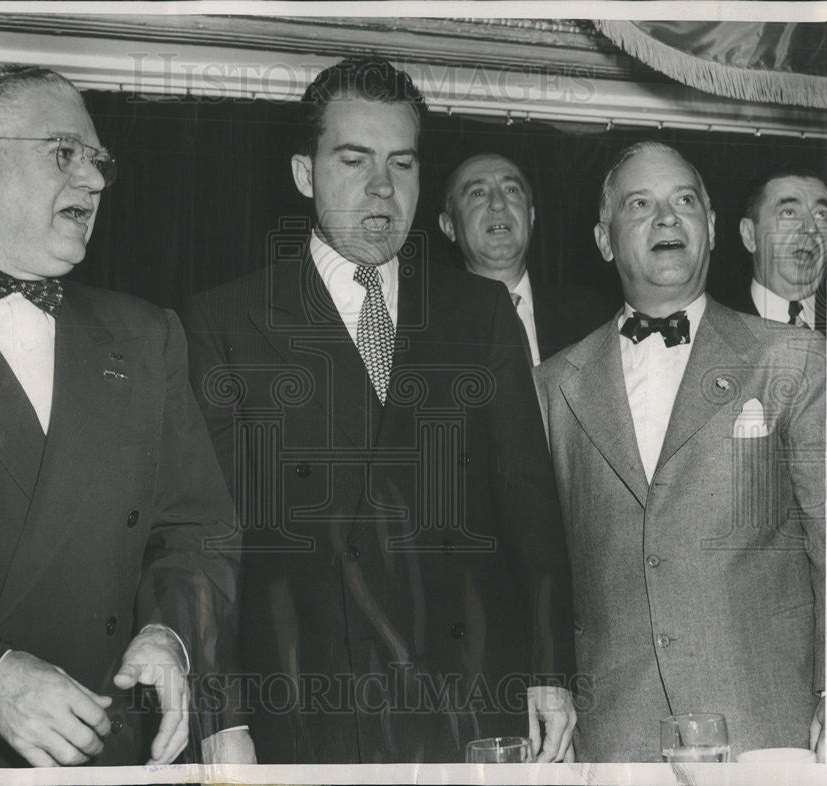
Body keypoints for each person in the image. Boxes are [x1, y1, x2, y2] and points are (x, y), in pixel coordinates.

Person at [182, 57, 576, 764]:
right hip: (309, 708)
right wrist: (221, 715)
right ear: (306, 174)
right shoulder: (225, 322)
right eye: (354, 160)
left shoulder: (479, 313)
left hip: (470, 702)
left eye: (402, 163)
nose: (382, 189)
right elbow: (207, 543)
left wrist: (551, 674)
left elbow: (531, 513)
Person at [0, 64, 251, 769]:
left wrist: (171, 632)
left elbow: (199, 533)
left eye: (99, 160)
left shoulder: (145, 336)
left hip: (103, 751)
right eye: (64, 154)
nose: (97, 179)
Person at [534, 142, 825, 761]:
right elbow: (540, 570)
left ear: (713, 229)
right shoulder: (552, 384)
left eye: (684, 201)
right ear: (605, 240)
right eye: (641, 204)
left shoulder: (794, 359)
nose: (667, 218)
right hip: (617, 736)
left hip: (766, 726)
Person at [438, 153, 612, 365]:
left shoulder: (594, 318)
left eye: (511, 189)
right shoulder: (432, 327)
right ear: (449, 226)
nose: (498, 204)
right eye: (478, 193)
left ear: (531, 217)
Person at [723, 165, 827, 331]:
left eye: (821, 215)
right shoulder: (717, 328)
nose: (811, 228)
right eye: (789, 213)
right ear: (749, 235)